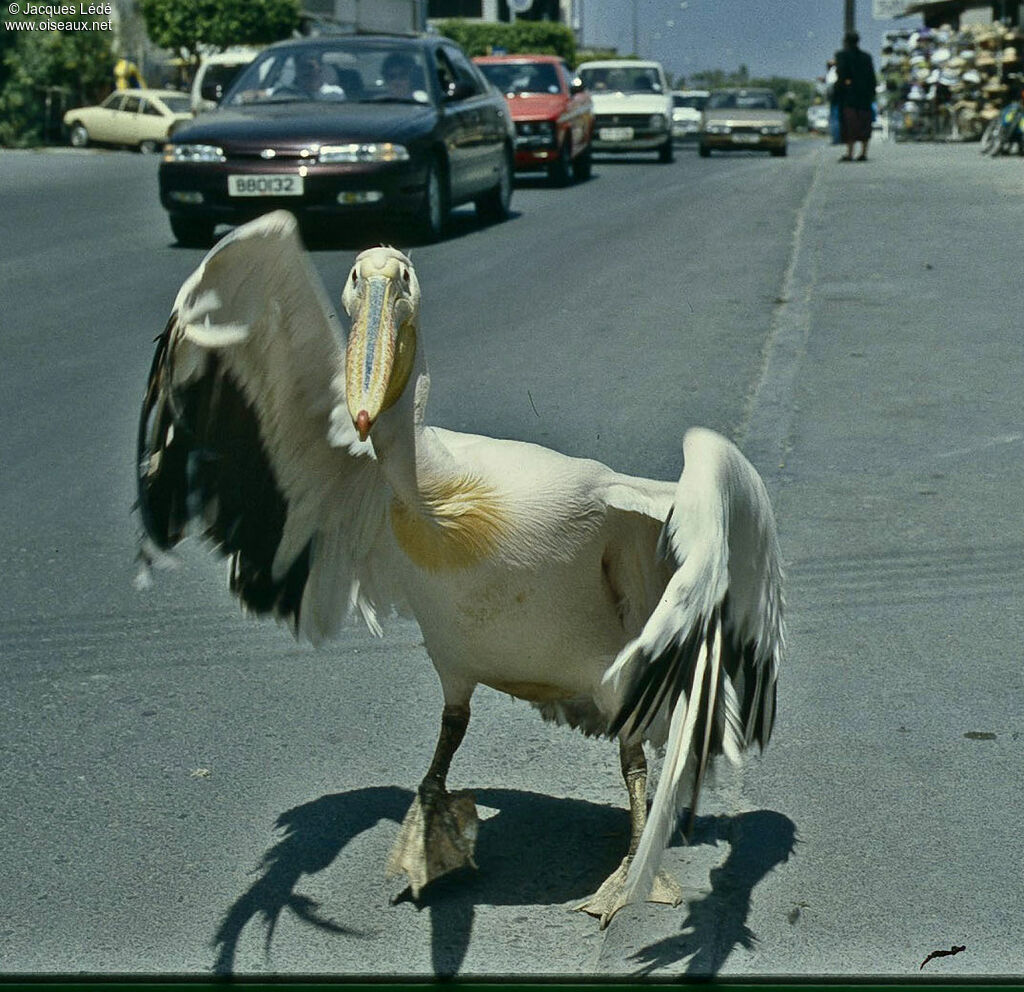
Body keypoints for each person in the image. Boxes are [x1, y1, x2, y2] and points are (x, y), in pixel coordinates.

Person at [834, 31, 877, 161]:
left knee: (850, 124)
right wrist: (871, 92)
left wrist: (838, 91)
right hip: (864, 95)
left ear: (845, 42)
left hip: (849, 96)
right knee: (864, 124)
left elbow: (841, 74)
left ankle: (850, 153)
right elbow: (872, 77)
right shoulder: (866, 57)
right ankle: (863, 153)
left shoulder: (842, 56)